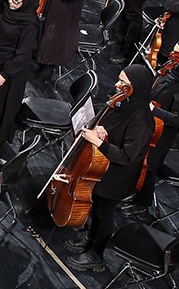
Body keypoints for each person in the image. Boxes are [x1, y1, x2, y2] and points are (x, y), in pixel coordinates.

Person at [66, 64, 157, 271]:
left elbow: (126, 156)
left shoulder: (141, 121)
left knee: (103, 214)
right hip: (104, 169)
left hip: (117, 177)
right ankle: (90, 239)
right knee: (96, 209)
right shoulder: (124, 103)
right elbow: (115, 129)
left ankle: (96, 254)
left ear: (135, 87)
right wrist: (102, 130)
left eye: (123, 82)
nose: (117, 84)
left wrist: (98, 142)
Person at [125, 39, 179, 214]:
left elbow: (178, 120)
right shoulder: (170, 71)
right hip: (148, 126)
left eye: (177, 54)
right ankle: (131, 192)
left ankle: (142, 206)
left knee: (149, 170)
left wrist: (154, 109)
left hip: (160, 136)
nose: (171, 55)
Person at [0, 0, 40, 150]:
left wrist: (5, 74)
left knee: (4, 106)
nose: (11, 2)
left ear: (27, 0)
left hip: (11, 71)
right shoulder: (5, 6)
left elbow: (23, 55)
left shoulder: (30, 24)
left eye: (16, 0)